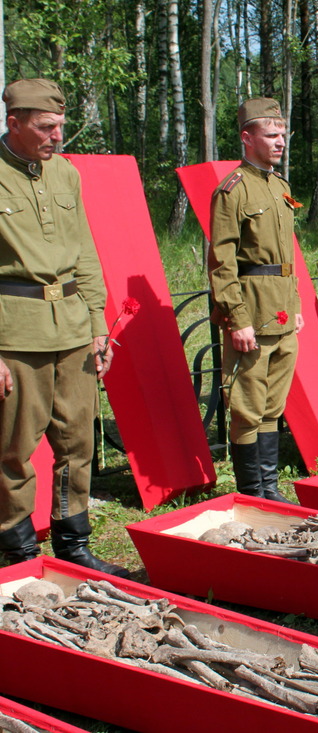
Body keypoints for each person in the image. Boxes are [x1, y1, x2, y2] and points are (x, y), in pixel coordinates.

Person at [0, 79, 127, 575]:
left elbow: (86, 253)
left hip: (73, 328)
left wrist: (98, 324)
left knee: (77, 440)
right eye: (46, 127)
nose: (58, 136)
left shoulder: (66, 175)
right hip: (16, 333)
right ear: (14, 123)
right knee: (13, 447)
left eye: (61, 126)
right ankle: (21, 553)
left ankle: (73, 543)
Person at [209, 98, 302, 504]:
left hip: (281, 312)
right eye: (271, 134)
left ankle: (269, 489)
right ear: (248, 138)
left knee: (272, 405)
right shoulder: (233, 189)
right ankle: (251, 494)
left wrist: (295, 304)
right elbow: (222, 261)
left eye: (282, 134)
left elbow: (287, 257)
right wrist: (237, 317)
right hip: (253, 313)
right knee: (247, 405)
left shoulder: (279, 186)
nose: (280, 141)